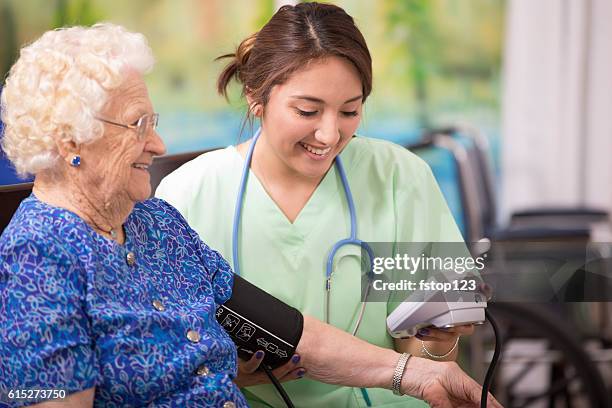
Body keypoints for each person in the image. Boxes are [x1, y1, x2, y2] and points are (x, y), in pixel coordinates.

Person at [0, 23, 501, 408]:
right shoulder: (38, 258)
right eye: (139, 124)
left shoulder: (155, 225)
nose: (159, 143)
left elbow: (289, 331)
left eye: (154, 122)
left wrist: (421, 374)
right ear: (70, 141)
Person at [156, 3, 477, 407]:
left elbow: (428, 361)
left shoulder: (400, 177)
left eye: (350, 111)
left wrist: (439, 340)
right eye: (307, 110)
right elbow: (166, 362)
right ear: (257, 97)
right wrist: (225, 372)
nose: (329, 134)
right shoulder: (187, 193)